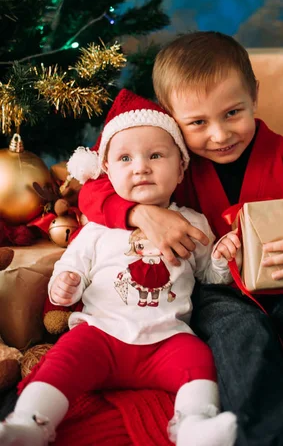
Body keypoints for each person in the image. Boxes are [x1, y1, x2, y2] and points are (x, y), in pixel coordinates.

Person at [78, 32, 283, 446]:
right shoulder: (174, 165)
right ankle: (268, 435)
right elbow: (94, 191)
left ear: (254, 96)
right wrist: (142, 212)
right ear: (172, 121)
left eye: (232, 113)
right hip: (213, 291)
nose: (219, 134)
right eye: (197, 123)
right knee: (238, 335)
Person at [0, 91, 239, 446]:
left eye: (156, 155)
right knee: (62, 360)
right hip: (101, 336)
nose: (141, 166)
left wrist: (222, 256)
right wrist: (66, 285)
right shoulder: (97, 228)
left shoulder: (193, 222)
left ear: (180, 169)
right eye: (125, 158)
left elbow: (211, 277)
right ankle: (29, 423)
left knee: (199, 362)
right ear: (107, 170)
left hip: (166, 340)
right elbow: (71, 269)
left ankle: (193, 426)